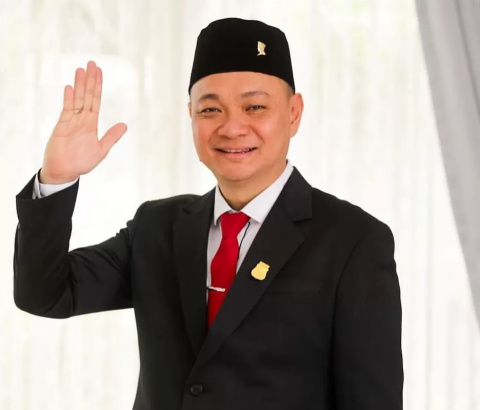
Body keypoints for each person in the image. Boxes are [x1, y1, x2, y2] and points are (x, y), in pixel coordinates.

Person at [14, 17, 403, 410]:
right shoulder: (157, 228)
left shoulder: (353, 243)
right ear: (191, 116)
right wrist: (57, 179)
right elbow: (45, 295)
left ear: (293, 113)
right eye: (211, 109)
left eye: (254, 107)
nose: (232, 128)